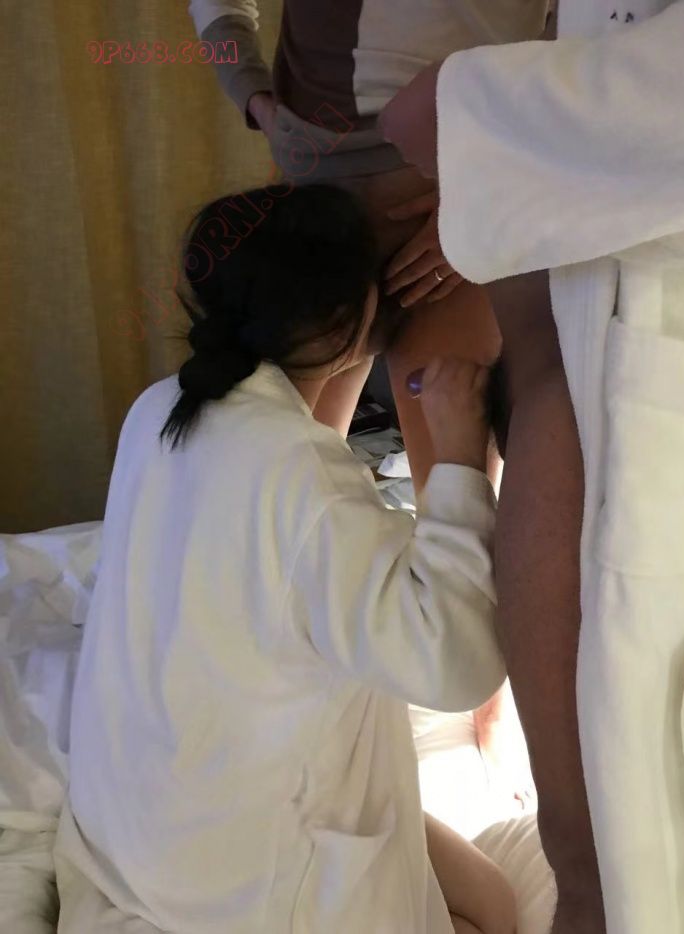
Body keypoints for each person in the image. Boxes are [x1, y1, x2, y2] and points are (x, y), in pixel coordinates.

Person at [54, 184, 517, 934]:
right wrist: (460, 460)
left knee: (488, 897)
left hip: (145, 823)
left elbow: (283, 523)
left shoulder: (159, 409)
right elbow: (457, 665)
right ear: (349, 319)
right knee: (493, 912)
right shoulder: (304, 479)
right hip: (236, 876)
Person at [189, 0, 555, 819]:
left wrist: (497, 181)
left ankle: (494, 707)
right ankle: (287, 681)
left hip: (456, 177)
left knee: (458, 480)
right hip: (318, 187)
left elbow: (588, 34)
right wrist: (254, 97)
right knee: (285, 472)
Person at [379, 1, 684, 933]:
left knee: (620, 861)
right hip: (557, 166)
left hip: (603, 198)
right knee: (599, 862)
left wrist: (489, 116)